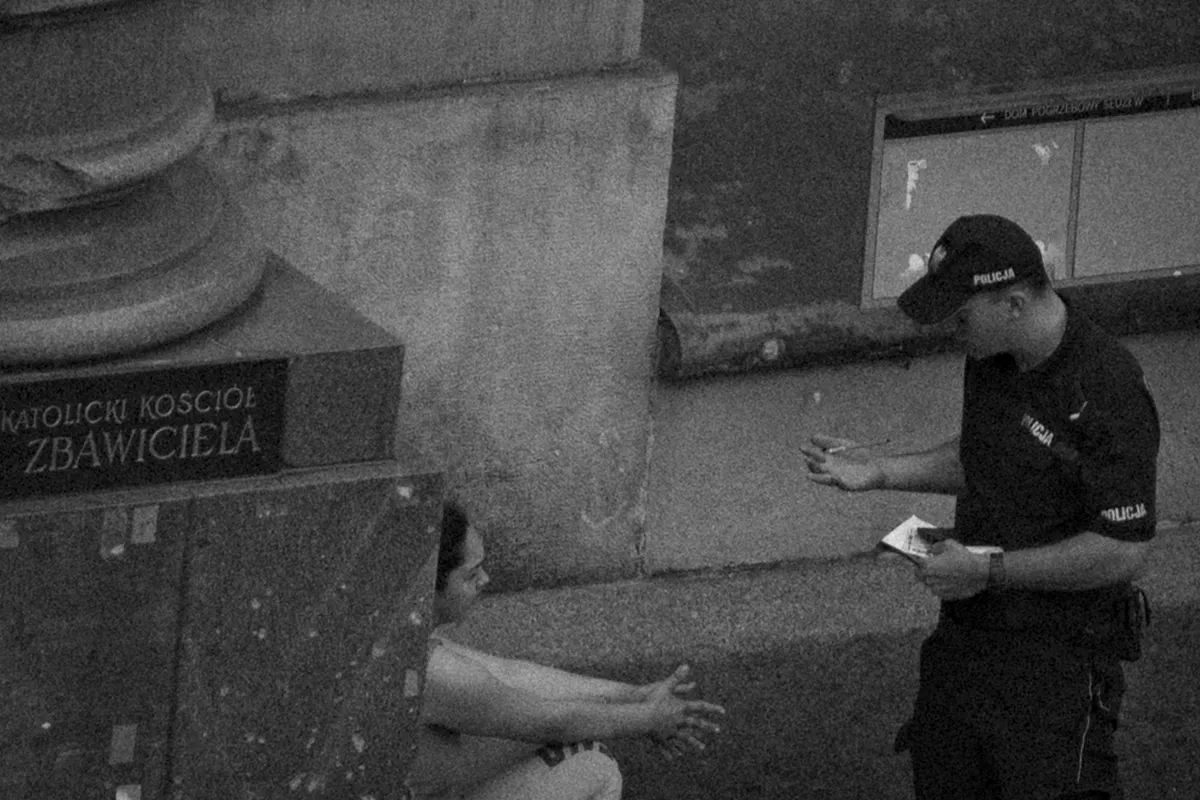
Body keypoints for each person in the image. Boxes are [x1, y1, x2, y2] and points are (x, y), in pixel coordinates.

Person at [801, 215, 1159, 800]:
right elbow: (985, 457)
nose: (951, 329)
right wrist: (881, 472)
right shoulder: (992, 355)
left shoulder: (1108, 388)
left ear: (1014, 304)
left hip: (1057, 662)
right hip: (969, 644)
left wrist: (988, 569)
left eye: (961, 315)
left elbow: (1123, 549)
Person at [405, 501, 726, 800]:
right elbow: (549, 722)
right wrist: (649, 719)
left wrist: (638, 695)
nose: (485, 579)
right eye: (471, 574)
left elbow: (513, 676)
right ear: (429, 587)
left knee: (578, 753)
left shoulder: (402, 635)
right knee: (594, 764)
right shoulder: (433, 671)